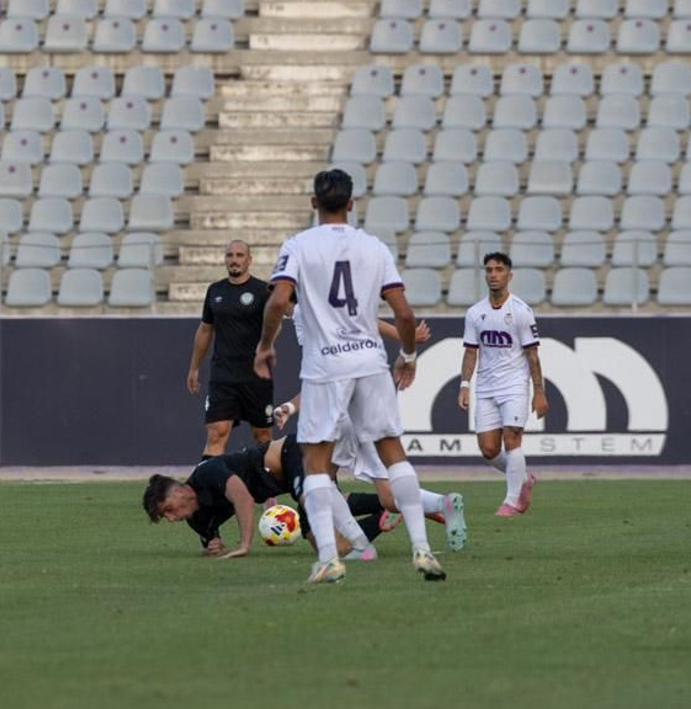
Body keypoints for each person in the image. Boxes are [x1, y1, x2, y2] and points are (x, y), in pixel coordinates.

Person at [255, 168, 446, 585]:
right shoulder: (373, 248)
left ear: (313, 203)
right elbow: (404, 313)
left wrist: (266, 345)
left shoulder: (299, 246)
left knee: (316, 461)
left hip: (326, 366)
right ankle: (422, 547)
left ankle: (328, 558)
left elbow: (277, 302)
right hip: (371, 362)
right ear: (352, 203)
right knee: (393, 451)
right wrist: (408, 356)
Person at [272, 395, 469, 551]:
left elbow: (314, 386)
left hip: (343, 418)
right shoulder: (362, 352)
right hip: (371, 413)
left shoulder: (324, 350)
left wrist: (289, 408)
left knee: (321, 477)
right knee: (389, 498)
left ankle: (357, 545)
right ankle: (443, 503)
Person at [141, 440, 390, 560]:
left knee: (316, 505)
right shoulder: (197, 521)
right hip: (287, 479)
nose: (171, 518)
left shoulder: (207, 473)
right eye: (166, 517)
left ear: (178, 492)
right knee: (337, 547)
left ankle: (395, 506)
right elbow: (211, 542)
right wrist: (212, 547)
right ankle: (386, 511)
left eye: (168, 510)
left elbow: (243, 499)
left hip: (290, 454)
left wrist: (245, 545)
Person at [458, 251, 547, 516]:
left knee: (512, 438)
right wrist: (464, 384)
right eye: (489, 270)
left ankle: (511, 501)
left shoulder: (521, 311)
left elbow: (532, 355)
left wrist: (539, 391)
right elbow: (471, 351)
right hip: (485, 386)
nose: (493, 274)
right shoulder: (475, 312)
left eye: (498, 269)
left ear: (509, 275)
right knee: (488, 449)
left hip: (514, 385)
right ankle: (523, 478)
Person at [186, 240, 272, 460]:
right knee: (216, 433)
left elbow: (280, 319)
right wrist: (194, 367)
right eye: (230, 255)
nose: (234, 260)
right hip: (223, 375)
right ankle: (210, 491)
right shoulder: (215, 290)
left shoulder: (263, 290)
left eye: (240, 255)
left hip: (256, 376)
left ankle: (266, 492)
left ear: (249, 260)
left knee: (262, 436)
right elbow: (205, 330)